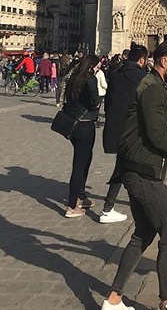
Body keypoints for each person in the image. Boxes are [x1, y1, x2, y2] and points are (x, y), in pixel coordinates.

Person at [102, 41, 167, 310]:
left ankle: (113, 300)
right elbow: (157, 136)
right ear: (164, 61)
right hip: (142, 170)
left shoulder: (152, 84)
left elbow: (157, 129)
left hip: (135, 167)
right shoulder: (152, 88)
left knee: (143, 233)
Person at [99, 44, 149, 223]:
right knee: (136, 167)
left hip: (116, 128)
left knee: (124, 166)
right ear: (142, 60)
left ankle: (110, 207)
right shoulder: (143, 77)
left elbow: (108, 103)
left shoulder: (115, 73)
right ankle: (110, 208)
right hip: (134, 129)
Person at [61, 55, 104, 218]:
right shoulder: (90, 79)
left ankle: (81, 196)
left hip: (73, 124)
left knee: (85, 159)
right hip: (85, 125)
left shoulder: (74, 78)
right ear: (91, 66)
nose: (98, 69)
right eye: (97, 67)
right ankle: (72, 205)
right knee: (80, 165)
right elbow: (95, 102)